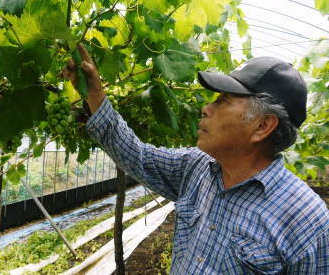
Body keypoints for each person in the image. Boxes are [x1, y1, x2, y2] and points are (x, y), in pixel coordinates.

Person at [62, 45, 329, 274]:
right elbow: (138, 156)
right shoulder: (196, 166)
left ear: (262, 126)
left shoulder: (307, 221)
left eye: (223, 100)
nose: (206, 108)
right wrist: (94, 93)